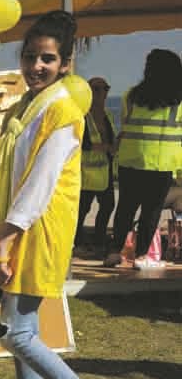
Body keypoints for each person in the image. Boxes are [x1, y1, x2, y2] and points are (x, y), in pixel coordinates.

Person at [0, 11, 125, 379]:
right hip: (16, 227)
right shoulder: (28, 104)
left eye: (47, 59)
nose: (36, 66)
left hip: (35, 232)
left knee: (15, 334)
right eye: (30, 57)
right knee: (19, 329)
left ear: (65, 64)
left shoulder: (63, 110)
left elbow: (39, 184)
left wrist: (4, 241)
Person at [105, 49, 182, 270]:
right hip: (161, 163)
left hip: (130, 160)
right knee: (151, 210)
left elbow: (125, 123)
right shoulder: (178, 100)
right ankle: (142, 257)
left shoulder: (130, 96)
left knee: (125, 208)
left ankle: (114, 253)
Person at [74, 77, 116, 257]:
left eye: (105, 88)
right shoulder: (82, 116)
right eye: (97, 89)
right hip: (86, 174)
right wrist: (106, 147)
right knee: (82, 209)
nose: (102, 93)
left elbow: (110, 140)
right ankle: (77, 242)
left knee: (108, 206)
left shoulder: (107, 116)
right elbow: (81, 143)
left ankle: (99, 241)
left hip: (104, 172)